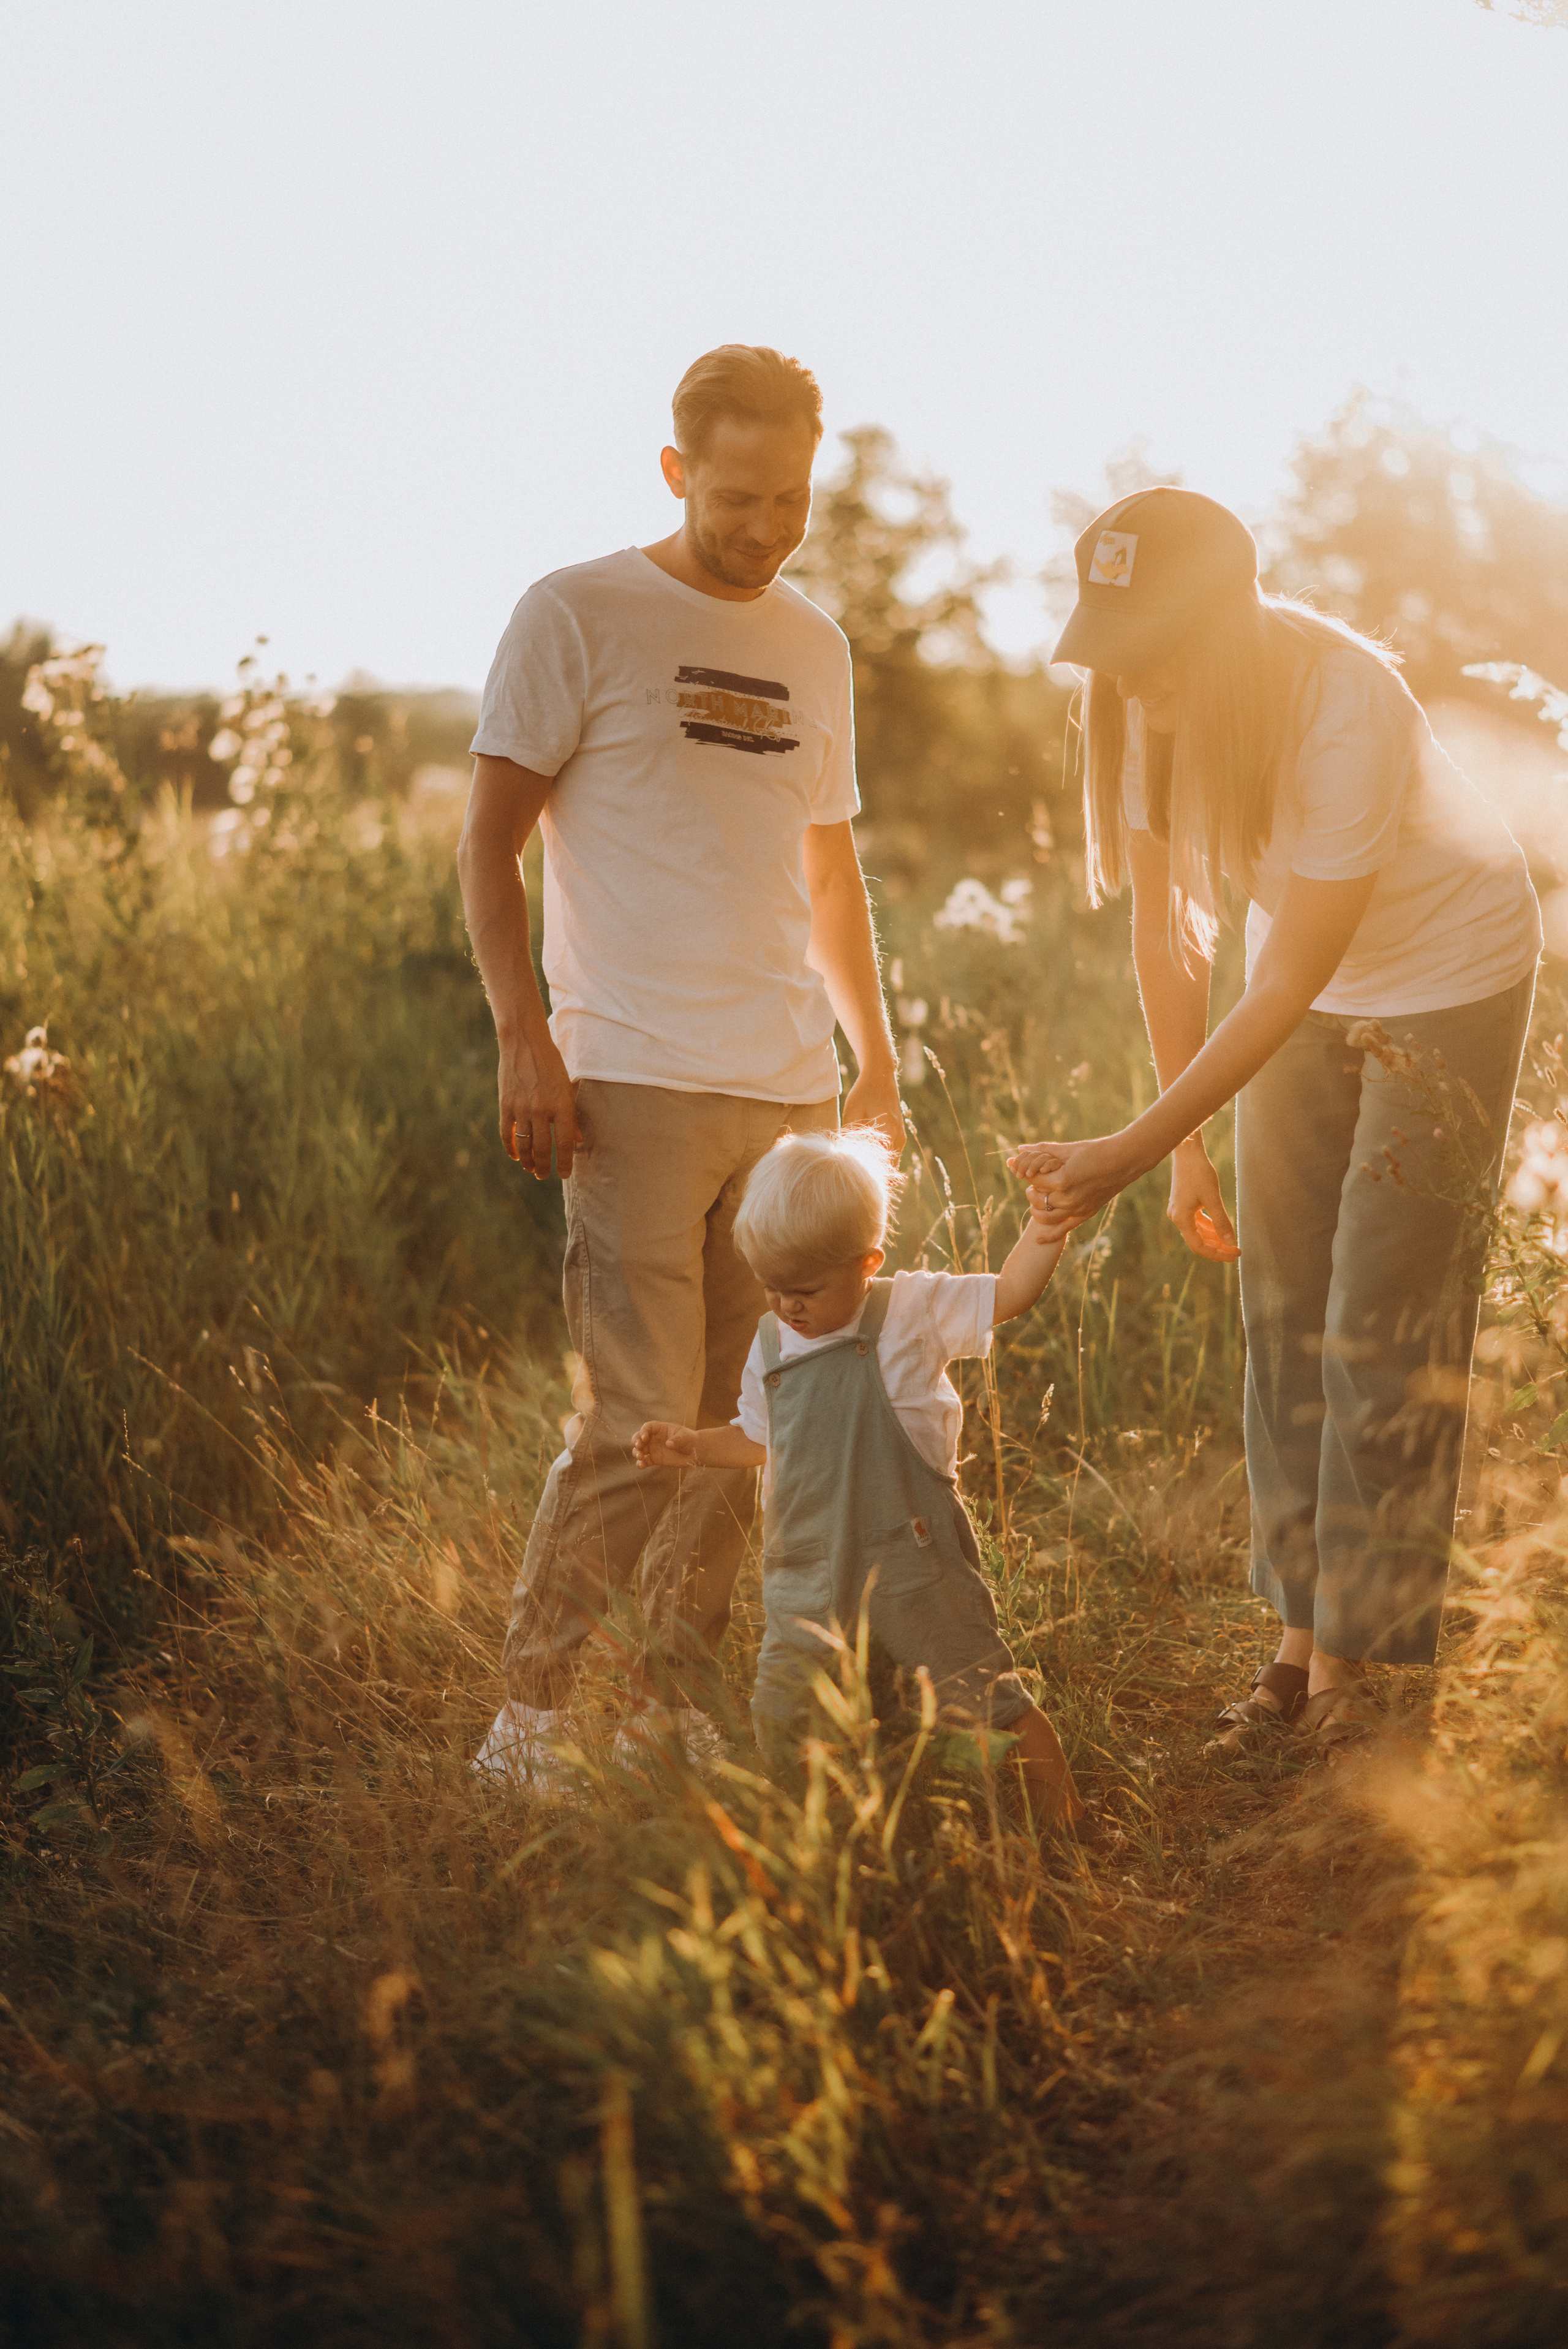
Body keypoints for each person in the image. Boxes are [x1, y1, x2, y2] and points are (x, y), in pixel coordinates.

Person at [1010, 488, 1540, 1753]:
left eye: (1149, 655)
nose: (1129, 687)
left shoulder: (1342, 706)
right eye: (1112, 655)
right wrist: (1182, 1149)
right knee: (1284, 1307)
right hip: (1294, 993)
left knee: (1378, 1310)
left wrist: (1122, 1155)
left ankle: (1357, 1657)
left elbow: (1290, 974)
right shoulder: (1141, 711)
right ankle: (1298, 1631)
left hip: (1446, 982)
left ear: (1223, 633)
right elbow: (1168, 936)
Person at [458, 346, 903, 1792]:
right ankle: (526, 1719)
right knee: (629, 1422)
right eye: (733, 496)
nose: (764, 525)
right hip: (630, 1080)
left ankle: (661, 1699)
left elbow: (830, 881)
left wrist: (873, 1068)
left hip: (782, 1087)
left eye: (789, 498)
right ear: (672, 471)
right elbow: (488, 843)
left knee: (740, 1423)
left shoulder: (816, 643)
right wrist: (526, 1032)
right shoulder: (576, 610)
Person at [633, 1129, 1084, 1826]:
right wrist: (691, 1446)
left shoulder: (909, 1312)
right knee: (786, 1720)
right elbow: (758, 1439)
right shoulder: (771, 1345)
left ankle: (1065, 1821)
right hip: (806, 1576)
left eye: (806, 1289)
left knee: (977, 1693)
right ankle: (839, 1838)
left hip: (911, 1564)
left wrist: (1045, 1229)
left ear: (867, 1262)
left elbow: (1011, 1293)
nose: (788, 1307)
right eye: (772, 1288)